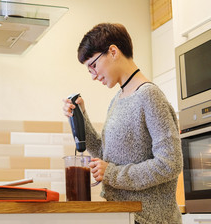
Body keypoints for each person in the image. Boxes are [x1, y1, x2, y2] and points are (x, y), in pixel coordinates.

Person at [62, 23, 183, 224]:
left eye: (93, 65)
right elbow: (105, 155)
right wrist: (80, 116)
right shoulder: (118, 98)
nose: (92, 75)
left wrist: (113, 173)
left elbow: (170, 164)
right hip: (124, 216)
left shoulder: (149, 96)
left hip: (148, 219)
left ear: (113, 51)